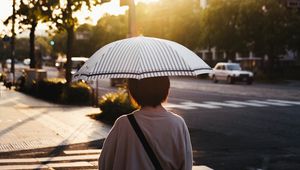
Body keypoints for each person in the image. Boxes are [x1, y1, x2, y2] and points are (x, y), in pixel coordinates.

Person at [98, 76, 193, 170]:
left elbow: (105, 162)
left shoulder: (123, 124)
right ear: (166, 89)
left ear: (133, 91)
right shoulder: (178, 124)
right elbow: (186, 164)